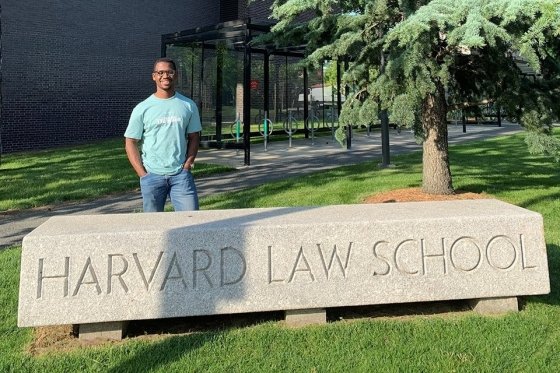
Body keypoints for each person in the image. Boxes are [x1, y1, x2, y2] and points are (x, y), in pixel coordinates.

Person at [124, 57, 201, 212]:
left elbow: (194, 137)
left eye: (169, 72)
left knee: (191, 221)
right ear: (154, 76)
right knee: (153, 226)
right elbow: (130, 141)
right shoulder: (142, 108)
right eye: (160, 72)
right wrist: (143, 174)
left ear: (176, 75)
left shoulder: (188, 105)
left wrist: (187, 166)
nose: (165, 76)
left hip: (181, 176)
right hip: (152, 176)